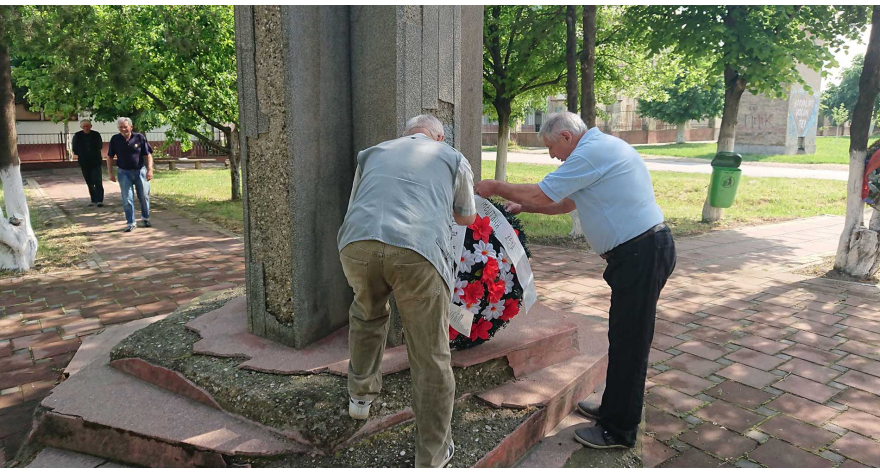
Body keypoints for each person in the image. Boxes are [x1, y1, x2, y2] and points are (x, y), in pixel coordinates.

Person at [473, 111, 676, 450]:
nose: (553, 156)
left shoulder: (591, 152)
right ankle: (613, 410)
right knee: (622, 338)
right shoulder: (596, 150)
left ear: (566, 137)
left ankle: (619, 431)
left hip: (641, 254)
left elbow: (542, 193)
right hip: (638, 255)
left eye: (552, 147)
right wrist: (525, 208)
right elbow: (566, 203)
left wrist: (494, 186)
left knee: (631, 344)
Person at [337, 114, 476, 468]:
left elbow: (356, 204)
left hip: (357, 244)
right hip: (418, 252)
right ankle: (432, 454)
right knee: (430, 352)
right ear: (439, 137)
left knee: (366, 314)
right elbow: (466, 216)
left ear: (407, 134)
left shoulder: (373, 153)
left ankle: (360, 398)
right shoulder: (453, 157)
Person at [107, 117, 154, 232]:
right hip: (123, 173)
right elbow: (109, 156)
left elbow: (148, 155)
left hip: (140, 171)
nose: (123, 129)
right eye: (120, 127)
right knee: (127, 199)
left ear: (131, 127)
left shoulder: (139, 137)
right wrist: (110, 172)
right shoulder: (115, 139)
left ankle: (145, 218)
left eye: (125, 127)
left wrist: (150, 170)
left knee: (144, 196)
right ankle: (131, 223)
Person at [71, 119, 104, 207]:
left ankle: (99, 200)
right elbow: (75, 148)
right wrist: (82, 153)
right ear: (81, 127)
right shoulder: (77, 135)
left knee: (97, 180)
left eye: (87, 126)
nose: (86, 128)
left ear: (91, 126)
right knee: (89, 181)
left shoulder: (96, 134)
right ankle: (93, 199)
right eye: (84, 126)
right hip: (84, 162)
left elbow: (100, 146)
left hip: (96, 161)